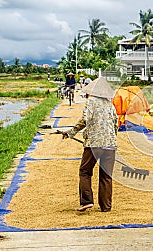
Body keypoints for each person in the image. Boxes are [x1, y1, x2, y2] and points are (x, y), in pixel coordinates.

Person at [63, 77, 118, 212]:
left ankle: (87, 201)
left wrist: (71, 132)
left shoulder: (91, 102)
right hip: (110, 145)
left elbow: (85, 119)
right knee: (106, 175)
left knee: (85, 171)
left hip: (94, 144)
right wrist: (111, 139)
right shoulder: (110, 105)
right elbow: (116, 124)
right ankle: (106, 206)